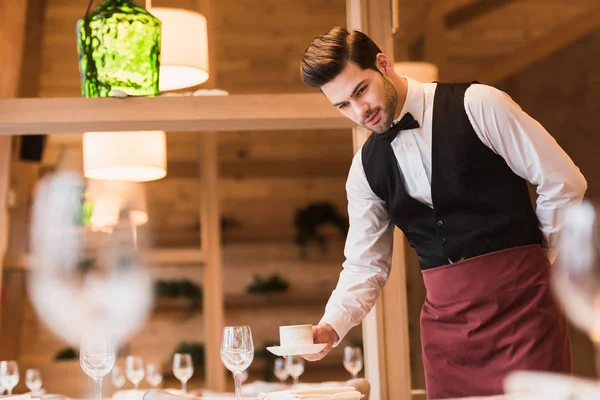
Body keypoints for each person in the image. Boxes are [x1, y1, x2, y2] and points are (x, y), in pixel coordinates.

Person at [299, 26, 587, 399]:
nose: (360, 111)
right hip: (447, 334)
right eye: (343, 106)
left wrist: (539, 257)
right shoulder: (364, 170)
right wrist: (331, 326)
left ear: (383, 64)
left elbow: (563, 182)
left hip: (524, 315)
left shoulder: (480, 104)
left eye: (360, 91)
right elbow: (365, 263)